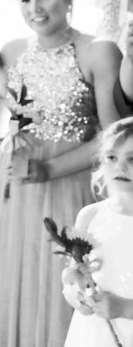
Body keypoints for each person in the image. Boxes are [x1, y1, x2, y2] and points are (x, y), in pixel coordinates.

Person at [0, 0, 122, 347]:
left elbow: (114, 137)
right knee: (10, 275)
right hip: (10, 186)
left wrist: (50, 169)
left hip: (67, 182)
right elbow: (0, 107)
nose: (35, 8)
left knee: (62, 277)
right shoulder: (13, 51)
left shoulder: (99, 51)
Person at [62, 117, 133, 347]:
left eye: (132, 159)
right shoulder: (90, 216)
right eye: (112, 157)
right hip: (94, 334)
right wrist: (78, 296)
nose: (120, 166)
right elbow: (73, 274)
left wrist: (124, 308)